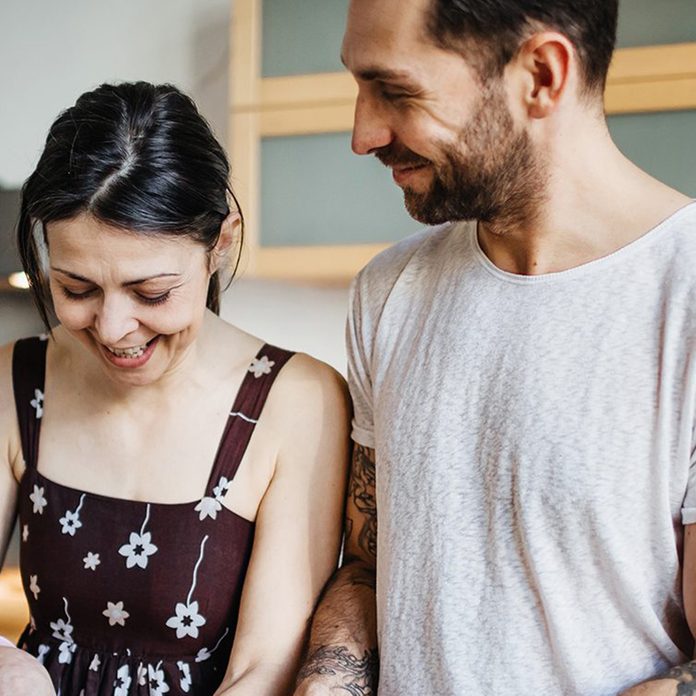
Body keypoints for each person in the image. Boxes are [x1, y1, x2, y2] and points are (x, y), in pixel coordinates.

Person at [293, 1, 696, 695]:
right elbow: (368, 565)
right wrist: (325, 683)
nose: (362, 133)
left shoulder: (682, 294)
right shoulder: (389, 291)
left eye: (395, 91)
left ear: (541, 74)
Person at [0, 81, 350, 696]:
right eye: (76, 289)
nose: (111, 328)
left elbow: (262, 671)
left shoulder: (295, 400)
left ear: (222, 242)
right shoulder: (14, 380)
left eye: (151, 293)